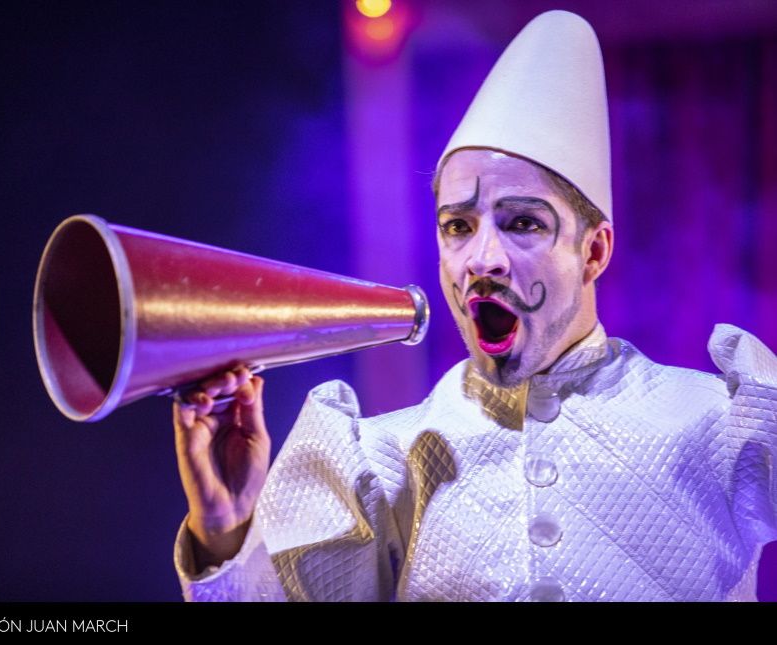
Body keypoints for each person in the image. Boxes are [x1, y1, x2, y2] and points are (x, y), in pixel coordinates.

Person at [170, 10, 777, 601]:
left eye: (521, 223)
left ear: (593, 251)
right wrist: (227, 527)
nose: (482, 259)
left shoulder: (718, 426)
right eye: (458, 227)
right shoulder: (382, 462)